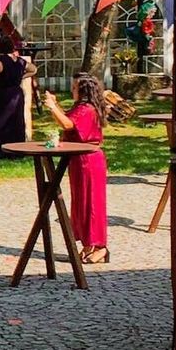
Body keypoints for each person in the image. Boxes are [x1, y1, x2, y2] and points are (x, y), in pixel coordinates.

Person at [43, 73, 109, 264]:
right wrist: (56, 106)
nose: (72, 90)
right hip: (79, 161)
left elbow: (67, 123)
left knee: (92, 204)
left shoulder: (87, 109)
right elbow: (69, 123)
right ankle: (88, 245)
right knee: (81, 204)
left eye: (74, 87)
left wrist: (53, 107)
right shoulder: (81, 108)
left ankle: (100, 246)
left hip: (89, 161)